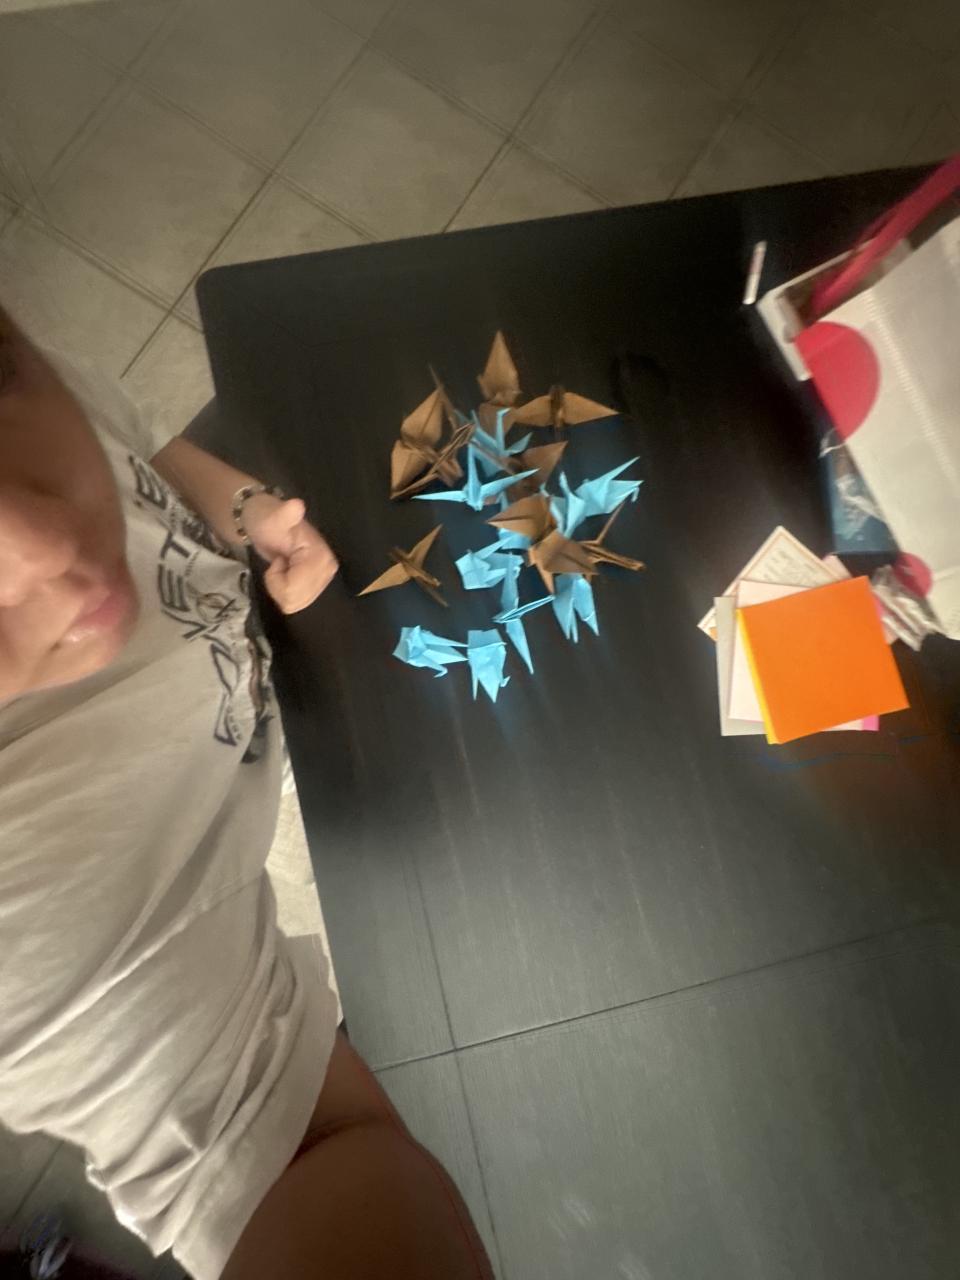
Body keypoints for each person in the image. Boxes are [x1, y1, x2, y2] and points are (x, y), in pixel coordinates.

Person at [0, 306, 494, 1280]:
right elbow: (297, 1166)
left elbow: (128, 437)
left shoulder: (39, 391)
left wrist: (244, 509)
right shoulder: (32, 926)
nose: (51, 540)